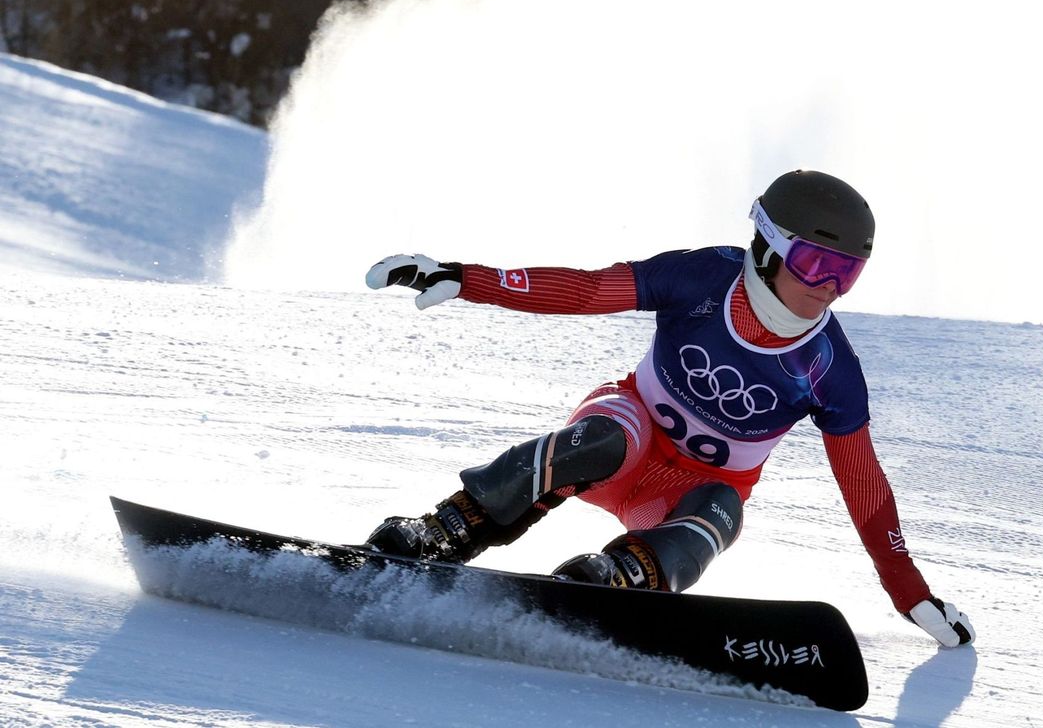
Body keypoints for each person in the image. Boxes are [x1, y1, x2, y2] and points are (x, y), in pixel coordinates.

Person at [364, 169, 975, 648]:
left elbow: (864, 485)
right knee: (605, 440)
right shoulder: (704, 278)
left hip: (681, 498)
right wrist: (466, 278)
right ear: (768, 247)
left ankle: (620, 578)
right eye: (816, 264)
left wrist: (909, 591)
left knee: (722, 508)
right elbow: (587, 290)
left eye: (847, 273)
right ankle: (451, 526)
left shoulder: (830, 368)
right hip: (626, 437)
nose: (828, 288)